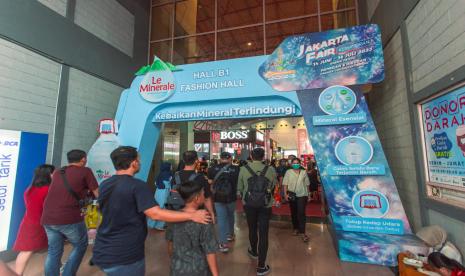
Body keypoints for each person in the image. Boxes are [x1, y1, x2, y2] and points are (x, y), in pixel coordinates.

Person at [92, 146, 211, 275]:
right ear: (134, 163)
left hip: (103, 249)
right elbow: (155, 214)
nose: (140, 163)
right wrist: (192, 215)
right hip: (125, 254)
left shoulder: (105, 184)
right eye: (139, 160)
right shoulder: (137, 186)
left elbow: (102, 208)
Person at [41, 150, 99, 276]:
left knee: (53, 250)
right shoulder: (86, 171)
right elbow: (97, 193)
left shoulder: (58, 172)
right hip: (67, 217)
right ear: (83, 159)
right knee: (80, 245)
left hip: (47, 217)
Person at [166, 181, 219, 276]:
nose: (204, 196)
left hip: (177, 269)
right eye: (203, 193)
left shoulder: (174, 217)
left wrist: (177, 261)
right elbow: (210, 252)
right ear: (197, 198)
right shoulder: (204, 218)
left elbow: (170, 246)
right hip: (198, 270)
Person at [238, 147, 277, 276]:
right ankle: (261, 267)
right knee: (264, 233)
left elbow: (240, 188)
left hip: (249, 204)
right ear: (263, 156)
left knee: (252, 228)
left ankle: (254, 251)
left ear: (251, 156)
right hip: (265, 204)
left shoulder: (244, 169)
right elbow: (272, 185)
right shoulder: (270, 169)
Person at [12, 164, 55, 275]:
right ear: (48, 175)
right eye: (53, 173)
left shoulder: (31, 189)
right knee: (28, 251)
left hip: (29, 222)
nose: (55, 175)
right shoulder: (48, 190)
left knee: (29, 251)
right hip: (39, 225)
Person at [207, 152, 239, 253]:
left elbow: (210, 182)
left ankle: (223, 244)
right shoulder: (236, 169)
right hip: (231, 197)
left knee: (221, 219)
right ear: (230, 158)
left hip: (218, 197)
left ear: (220, 158)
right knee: (230, 215)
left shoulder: (212, 168)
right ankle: (230, 235)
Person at [171, 150, 215, 222]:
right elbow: (207, 198)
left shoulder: (175, 176)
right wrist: (211, 213)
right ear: (196, 161)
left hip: (178, 214)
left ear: (184, 161)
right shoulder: (200, 178)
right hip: (197, 215)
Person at [283, 158, 310, 242]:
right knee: (294, 212)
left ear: (300, 163)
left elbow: (307, 184)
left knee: (301, 213)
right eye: (294, 163)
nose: (295, 165)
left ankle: (303, 232)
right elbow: (285, 184)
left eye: (297, 163)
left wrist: (308, 195)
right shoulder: (288, 172)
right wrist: (285, 194)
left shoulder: (304, 172)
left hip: (302, 195)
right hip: (292, 195)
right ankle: (296, 228)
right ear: (291, 164)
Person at [148, 161, 173, 230]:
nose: (171, 167)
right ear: (167, 167)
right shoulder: (168, 174)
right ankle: (159, 225)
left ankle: (151, 223)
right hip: (164, 192)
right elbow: (168, 184)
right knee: (163, 208)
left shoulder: (160, 174)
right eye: (170, 166)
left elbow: (156, 183)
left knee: (157, 206)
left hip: (158, 192)